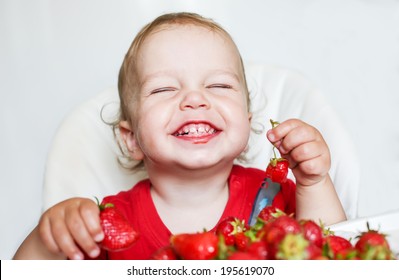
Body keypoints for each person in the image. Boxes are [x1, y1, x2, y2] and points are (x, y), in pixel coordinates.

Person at [13, 12, 346, 260]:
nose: (194, 99)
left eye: (218, 85)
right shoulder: (109, 223)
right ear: (131, 139)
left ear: (246, 123)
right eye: (164, 89)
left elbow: (334, 254)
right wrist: (49, 239)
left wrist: (314, 184)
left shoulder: (274, 199)